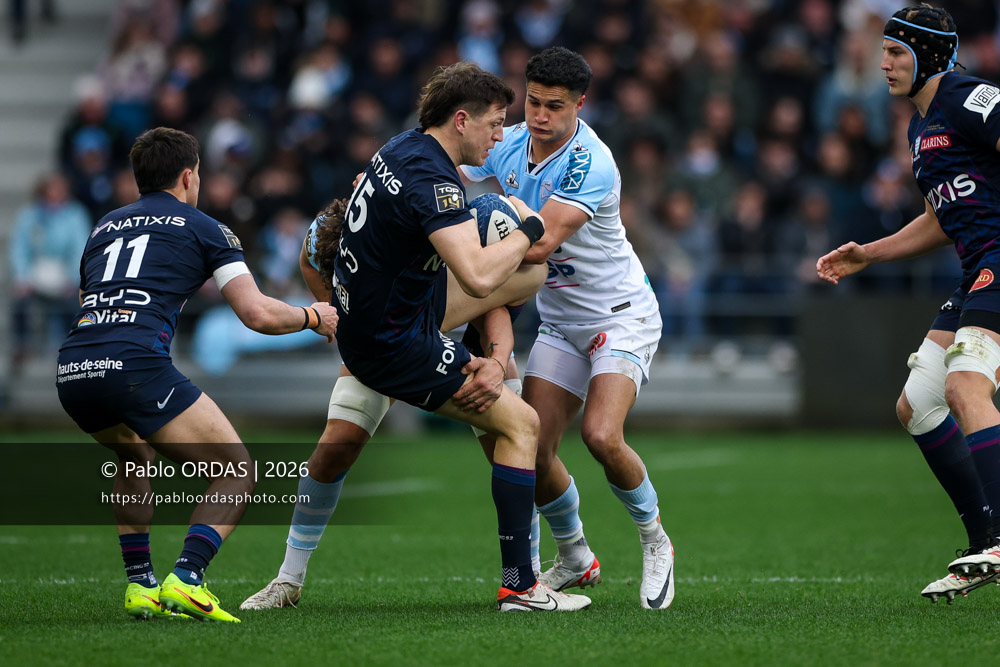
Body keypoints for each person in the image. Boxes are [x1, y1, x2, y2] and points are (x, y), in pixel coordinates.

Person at [243, 49, 673, 613]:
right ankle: (560, 565)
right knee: (521, 441)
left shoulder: (588, 162)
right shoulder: (467, 161)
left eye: (553, 107)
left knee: (591, 435)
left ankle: (650, 539)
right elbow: (483, 254)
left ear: (579, 105)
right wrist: (341, 321)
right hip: (471, 324)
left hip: (614, 310)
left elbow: (526, 252)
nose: (532, 119)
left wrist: (497, 355)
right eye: (530, 104)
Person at [55, 127, 338, 622]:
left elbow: (88, 303)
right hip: (134, 366)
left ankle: (140, 584)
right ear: (189, 176)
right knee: (236, 468)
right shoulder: (207, 227)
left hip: (75, 366)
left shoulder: (103, 227)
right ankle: (187, 578)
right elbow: (258, 315)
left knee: (133, 454)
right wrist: (315, 316)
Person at [816, 4, 1000, 603]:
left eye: (897, 52)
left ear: (932, 55)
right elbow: (938, 217)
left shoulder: (970, 96)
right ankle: (984, 543)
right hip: (978, 270)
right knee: (916, 403)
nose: (884, 63)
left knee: (964, 388)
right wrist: (869, 253)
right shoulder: (919, 128)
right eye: (884, 51)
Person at [9, 172, 91, 371]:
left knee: (73, 304)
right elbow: (19, 248)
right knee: (19, 302)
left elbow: (79, 248)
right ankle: (22, 345)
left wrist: (73, 279)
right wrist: (23, 278)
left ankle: (70, 348)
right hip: (35, 274)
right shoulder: (29, 215)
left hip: (63, 275)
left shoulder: (75, 214)